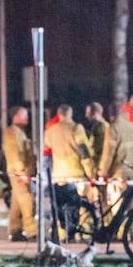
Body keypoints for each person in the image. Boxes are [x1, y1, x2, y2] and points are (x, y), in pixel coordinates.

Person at [43, 104, 95, 242]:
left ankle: (62, 235)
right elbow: (84, 151)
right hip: (76, 174)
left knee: (61, 205)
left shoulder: (51, 130)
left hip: (59, 174)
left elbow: (46, 146)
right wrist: (90, 172)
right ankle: (81, 233)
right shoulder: (76, 128)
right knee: (82, 204)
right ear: (70, 114)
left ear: (59, 114)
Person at [1, 106, 37, 242]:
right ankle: (32, 231)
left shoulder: (18, 132)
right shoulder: (12, 133)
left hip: (19, 172)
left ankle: (15, 230)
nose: (26, 118)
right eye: (23, 115)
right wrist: (21, 172)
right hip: (19, 173)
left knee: (17, 203)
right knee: (27, 201)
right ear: (15, 117)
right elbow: (15, 154)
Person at [99, 98, 133, 210]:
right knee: (132, 207)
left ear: (110, 113)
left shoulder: (113, 128)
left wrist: (102, 172)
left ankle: (121, 228)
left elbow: (108, 154)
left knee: (118, 208)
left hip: (118, 174)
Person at [84, 102, 108, 168]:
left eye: (88, 113)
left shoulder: (98, 127)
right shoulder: (106, 125)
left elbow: (95, 149)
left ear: (95, 113)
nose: (86, 115)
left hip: (98, 164)